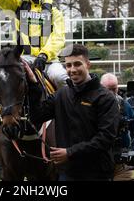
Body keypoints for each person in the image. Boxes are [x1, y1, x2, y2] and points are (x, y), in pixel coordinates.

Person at [28, 44, 120, 181]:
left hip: (97, 174)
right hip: (67, 174)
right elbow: (36, 116)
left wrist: (69, 153)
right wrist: (34, 85)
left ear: (88, 64)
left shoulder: (105, 98)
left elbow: (105, 139)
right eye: (68, 65)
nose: (72, 70)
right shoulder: (61, 95)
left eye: (77, 64)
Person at [100, 73, 134, 181]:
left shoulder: (125, 105)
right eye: (108, 89)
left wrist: (131, 151)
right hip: (99, 158)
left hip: (121, 159)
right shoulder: (93, 106)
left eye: (114, 89)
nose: (112, 92)